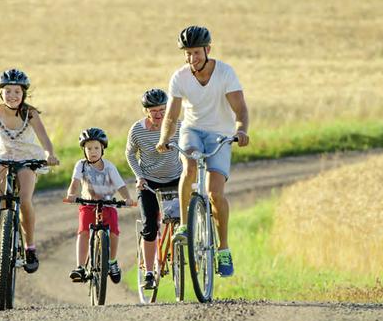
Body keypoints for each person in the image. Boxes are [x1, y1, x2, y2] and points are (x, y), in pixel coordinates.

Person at [155, 25, 249, 278]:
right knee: (190, 166)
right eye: (187, 54)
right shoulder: (180, 77)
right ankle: (185, 226)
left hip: (220, 133)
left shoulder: (225, 73)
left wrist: (241, 131)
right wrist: (164, 138)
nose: (191, 59)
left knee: (215, 193)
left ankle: (224, 249)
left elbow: (240, 110)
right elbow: (172, 116)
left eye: (196, 53)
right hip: (192, 130)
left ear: (208, 49)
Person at [0, 68, 59, 273]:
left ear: (24, 93)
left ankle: (30, 248)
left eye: (17, 91)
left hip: (27, 158)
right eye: (8, 91)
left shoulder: (30, 113)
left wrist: (49, 154)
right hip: (2, 157)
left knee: (24, 200)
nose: (12, 96)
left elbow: (45, 139)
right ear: (1, 92)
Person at [125, 88, 182, 291]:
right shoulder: (137, 130)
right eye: (154, 110)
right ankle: (149, 272)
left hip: (176, 179)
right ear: (145, 111)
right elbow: (130, 154)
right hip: (149, 182)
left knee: (182, 221)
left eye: (162, 109)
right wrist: (139, 176)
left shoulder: (177, 125)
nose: (159, 114)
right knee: (150, 228)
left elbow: (187, 148)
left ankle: (183, 258)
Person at [63, 127, 136, 284]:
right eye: (89, 148)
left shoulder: (109, 167)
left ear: (103, 148)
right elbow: (75, 182)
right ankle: (81, 267)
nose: (93, 151)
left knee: (114, 232)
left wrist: (128, 198)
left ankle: (112, 262)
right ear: (84, 150)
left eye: (96, 147)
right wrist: (71, 194)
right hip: (88, 204)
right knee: (83, 232)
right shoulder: (81, 165)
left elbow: (120, 185)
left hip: (108, 204)